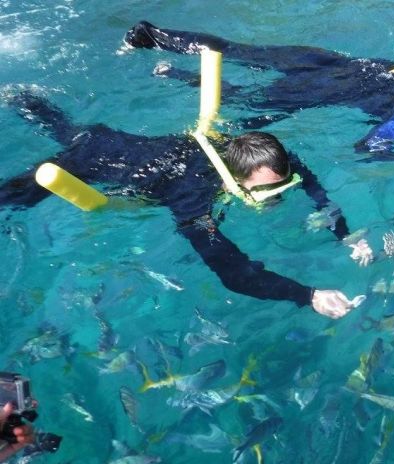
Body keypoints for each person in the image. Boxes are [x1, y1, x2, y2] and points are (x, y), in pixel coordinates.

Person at [0, 91, 362, 319]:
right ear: (234, 180)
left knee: (68, 129)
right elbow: (235, 275)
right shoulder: (193, 201)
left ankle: (19, 98)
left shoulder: (265, 157)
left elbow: (310, 183)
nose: (279, 196)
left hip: (107, 137)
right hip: (89, 163)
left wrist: (344, 234)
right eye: (269, 192)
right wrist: (309, 296)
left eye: (284, 185)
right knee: (9, 199)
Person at [123, 21, 394, 178]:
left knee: (238, 50)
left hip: (326, 60)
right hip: (322, 87)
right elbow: (367, 147)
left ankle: (149, 36)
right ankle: (171, 74)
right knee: (247, 102)